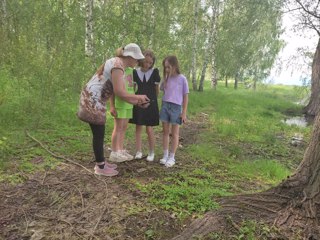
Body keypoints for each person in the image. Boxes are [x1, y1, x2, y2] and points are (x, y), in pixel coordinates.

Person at [77, 43, 150, 176]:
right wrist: (138, 96)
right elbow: (120, 92)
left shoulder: (118, 64)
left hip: (94, 98)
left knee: (99, 132)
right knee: (99, 133)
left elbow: (122, 93)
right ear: (130, 56)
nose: (137, 62)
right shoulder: (117, 66)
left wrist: (137, 102)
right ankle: (100, 167)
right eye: (136, 59)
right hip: (93, 99)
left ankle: (102, 162)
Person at [129, 50, 161, 161]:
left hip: (151, 103)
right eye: (146, 61)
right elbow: (133, 89)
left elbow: (157, 90)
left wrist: (153, 101)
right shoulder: (134, 72)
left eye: (150, 62)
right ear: (141, 60)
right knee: (138, 127)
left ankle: (151, 152)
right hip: (138, 102)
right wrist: (133, 99)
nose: (147, 64)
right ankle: (138, 151)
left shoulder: (155, 72)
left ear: (152, 63)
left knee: (149, 129)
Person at [159, 55, 189, 167]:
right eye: (165, 68)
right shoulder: (166, 78)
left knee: (175, 134)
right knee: (165, 132)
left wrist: (184, 112)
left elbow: (185, 97)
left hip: (176, 108)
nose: (166, 69)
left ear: (175, 65)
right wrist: (162, 80)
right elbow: (161, 89)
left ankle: (172, 157)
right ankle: (165, 155)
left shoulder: (182, 79)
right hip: (165, 106)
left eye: (168, 67)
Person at [109, 67, 135, 162]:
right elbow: (112, 89)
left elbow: (132, 87)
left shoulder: (132, 71)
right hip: (119, 103)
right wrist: (112, 105)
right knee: (118, 127)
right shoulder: (118, 70)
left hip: (129, 103)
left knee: (124, 128)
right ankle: (114, 152)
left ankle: (120, 150)